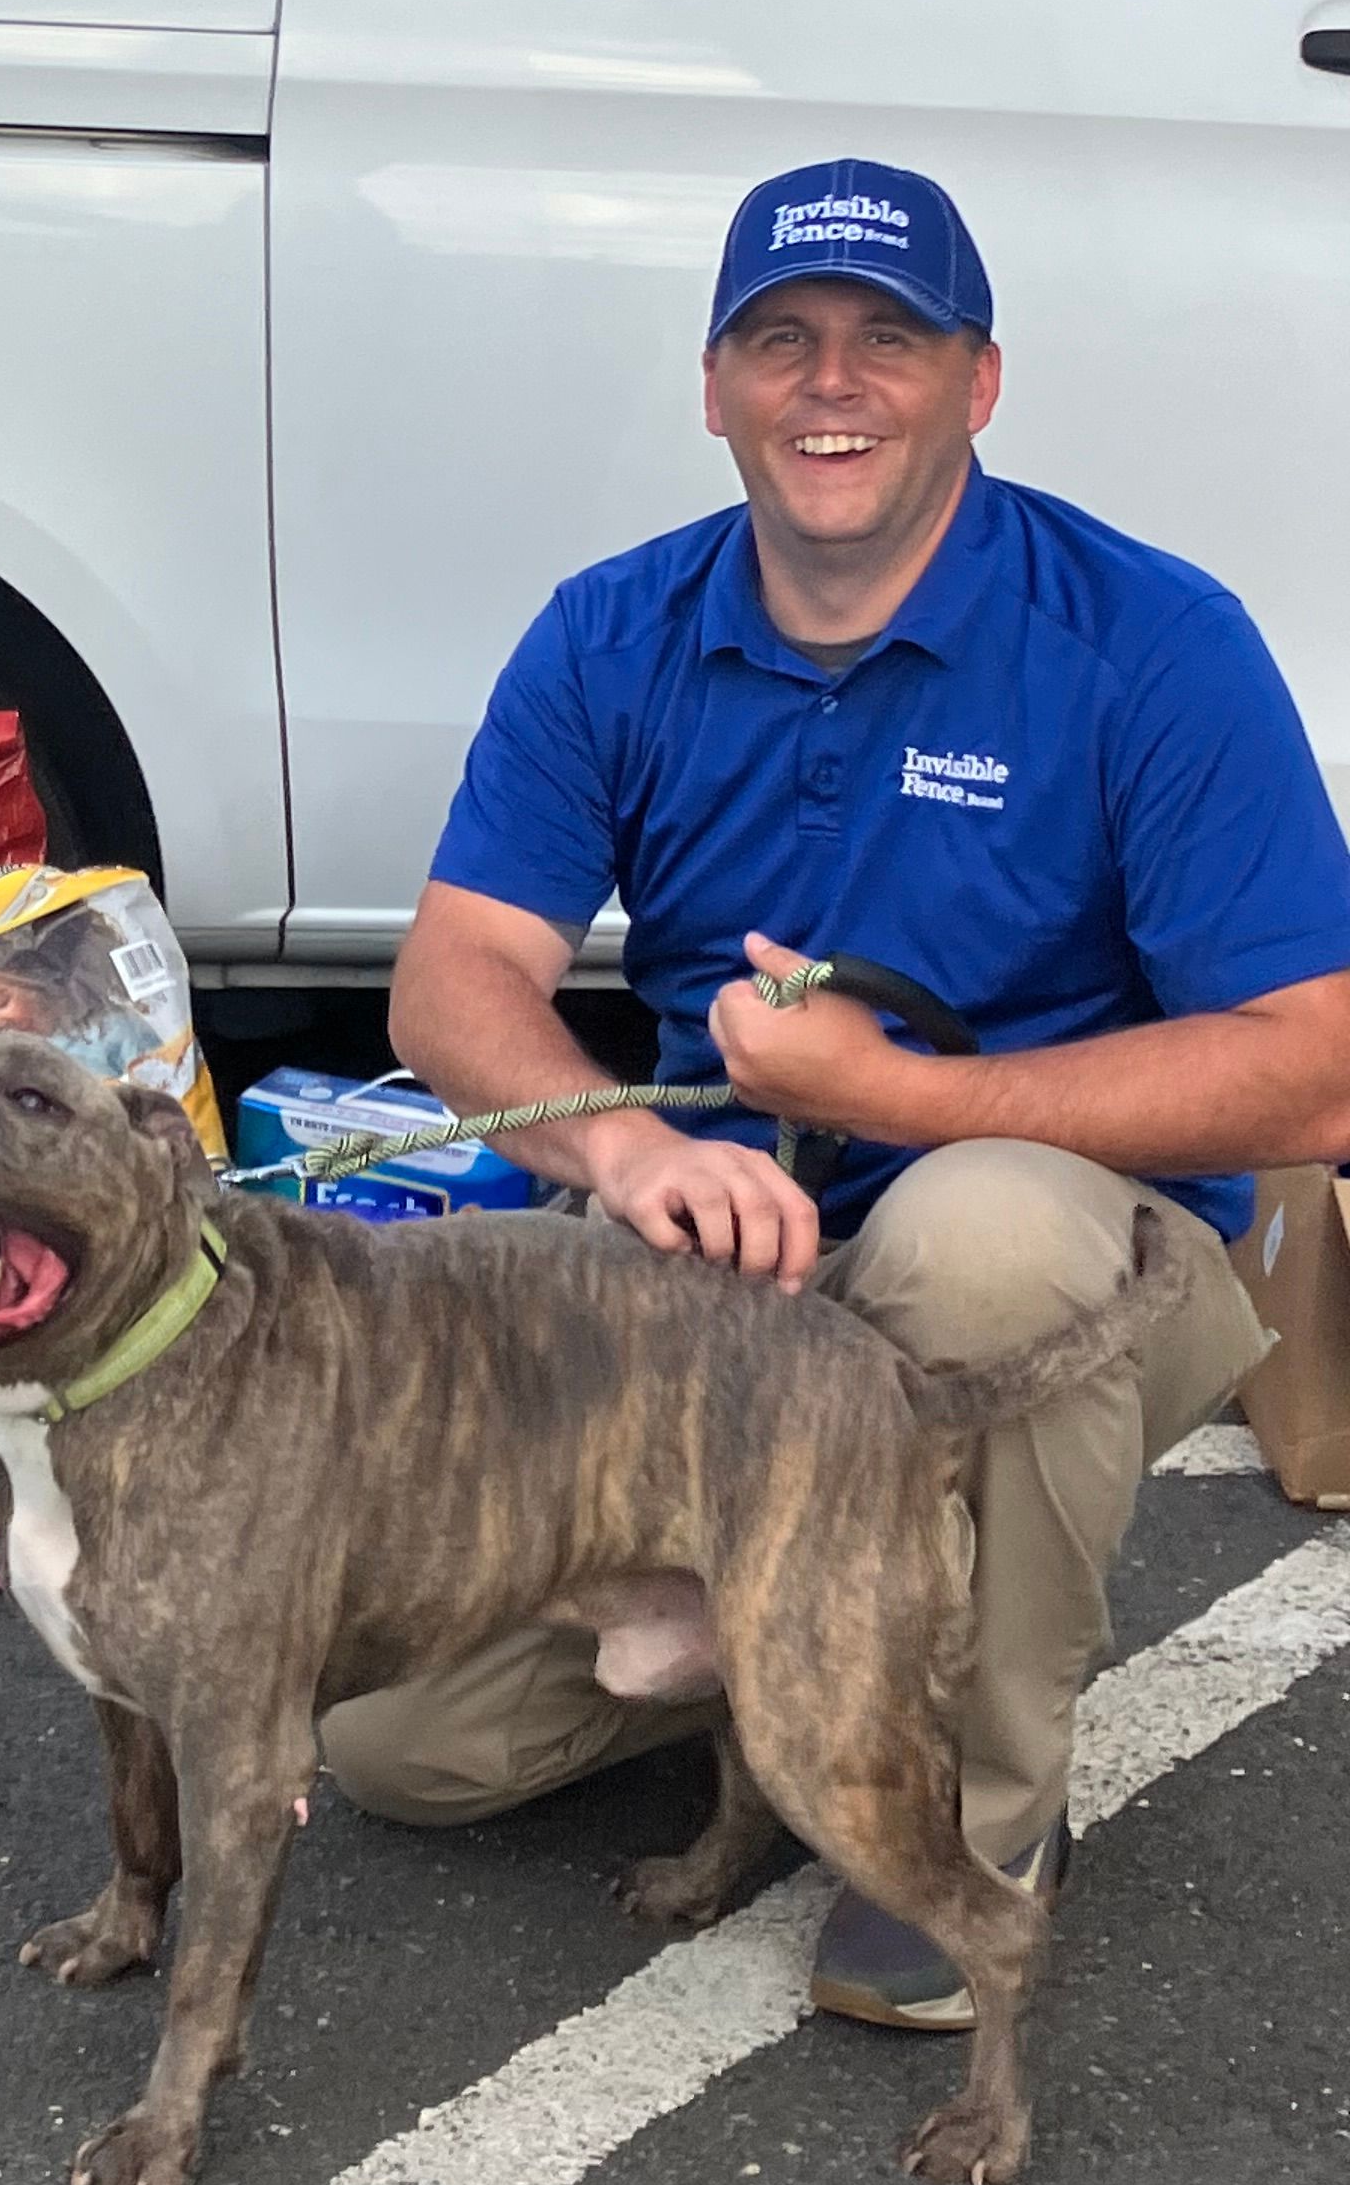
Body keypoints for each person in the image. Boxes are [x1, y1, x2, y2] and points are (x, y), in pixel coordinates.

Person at [331, 157, 1350, 2026]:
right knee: (406, 1751)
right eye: (781, 339)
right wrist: (623, 1147)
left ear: (980, 382)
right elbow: (454, 973)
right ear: (714, 389)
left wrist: (891, 1094)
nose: (831, 384)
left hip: (1069, 1270)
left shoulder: (1149, 639)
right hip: (736, 1290)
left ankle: (971, 1823)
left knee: (976, 1238)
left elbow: (1320, 1068)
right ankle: (802, 1650)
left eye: (891, 339)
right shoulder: (612, 631)